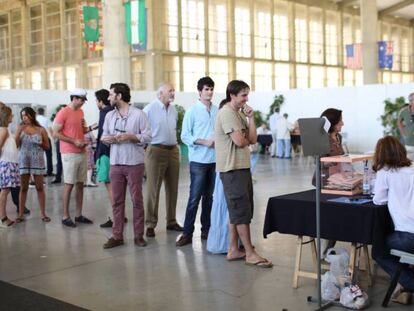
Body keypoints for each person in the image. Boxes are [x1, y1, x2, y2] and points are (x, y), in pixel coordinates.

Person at [215, 80, 272, 268]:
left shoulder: (239, 115)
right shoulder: (227, 113)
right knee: (241, 211)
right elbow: (240, 141)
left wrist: (251, 118)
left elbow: (253, 139)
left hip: (241, 167)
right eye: (243, 95)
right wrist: (245, 137)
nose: (246, 99)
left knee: (237, 210)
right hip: (232, 169)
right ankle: (249, 253)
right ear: (232, 95)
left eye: (247, 95)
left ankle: (233, 249)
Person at [101, 83, 151, 249]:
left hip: (134, 163)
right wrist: (107, 139)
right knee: (117, 201)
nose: (108, 98)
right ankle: (117, 236)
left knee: (137, 200)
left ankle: (138, 235)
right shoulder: (110, 116)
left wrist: (131, 136)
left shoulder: (139, 115)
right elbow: (104, 136)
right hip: (116, 163)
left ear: (119, 96)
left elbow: (148, 136)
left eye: (111, 94)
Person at [176, 77, 218, 247]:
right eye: (207, 89)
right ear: (199, 91)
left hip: (215, 161)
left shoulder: (217, 110)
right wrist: (204, 141)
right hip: (198, 162)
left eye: (211, 89)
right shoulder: (192, 111)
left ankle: (206, 230)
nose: (209, 92)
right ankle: (187, 233)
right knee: (194, 198)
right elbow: (184, 135)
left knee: (209, 198)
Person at [372, 136, 414, 305]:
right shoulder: (412, 168)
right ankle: (402, 286)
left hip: (408, 235)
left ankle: (408, 283)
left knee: (378, 251)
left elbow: (378, 200)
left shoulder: (385, 171)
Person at [143, 82, 183, 237]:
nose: (173, 93)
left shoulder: (173, 110)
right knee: (153, 189)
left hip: (173, 150)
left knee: (173, 188)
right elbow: (141, 130)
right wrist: (144, 147)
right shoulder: (149, 109)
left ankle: (171, 221)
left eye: (174, 90)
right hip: (156, 150)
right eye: (170, 90)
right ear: (160, 93)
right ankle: (150, 224)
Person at [52, 89, 96, 228]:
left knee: (80, 184)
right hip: (69, 153)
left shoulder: (80, 112)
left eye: (84, 100)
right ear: (74, 98)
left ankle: (78, 214)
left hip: (81, 151)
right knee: (69, 184)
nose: (83, 103)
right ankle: (65, 216)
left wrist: (90, 128)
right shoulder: (63, 112)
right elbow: (55, 133)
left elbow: (81, 130)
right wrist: (73, 141)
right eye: (82, 100)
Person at [312, 108, 345, 258]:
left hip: (338, 182)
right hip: (325, 183)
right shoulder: (322, 138)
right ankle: (323, 252)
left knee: (337, 219)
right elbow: (318, 162)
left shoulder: (339, 137)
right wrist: (332, 162)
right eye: (340, 121)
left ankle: (327, 251)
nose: (343, 124)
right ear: (332, 123)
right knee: (328, 219)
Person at [15, 107, 50, 223]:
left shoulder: (41, 129)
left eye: (26, 115)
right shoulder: (20, 128)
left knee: (40, 187)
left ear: (32, 115)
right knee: (23, 188)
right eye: (22, 116)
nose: (24, 118)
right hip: (24, 160)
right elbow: (15, 145)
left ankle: (43, 214)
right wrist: (18, 132)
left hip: (38, 161)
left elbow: (47, 147)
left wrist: (40, 144)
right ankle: (20, 214)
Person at [0, 104, 19, 228]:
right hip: (6, 164)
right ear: (6, 116)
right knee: (5, 191)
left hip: (10, 163)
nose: (12, 116)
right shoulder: (3, 130)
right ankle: (3, 218)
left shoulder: (6, 129)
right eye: (11, 114)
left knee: (5, 191)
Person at [36, 107, 54, 176]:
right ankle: (49, 171)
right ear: (43, 112)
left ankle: (41, 171)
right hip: (46, 138)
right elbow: (50, 129)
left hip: (38, 138)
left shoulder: (35, 119)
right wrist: (53, 138)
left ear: (37, 112)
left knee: (39, 155)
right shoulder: (46, 119)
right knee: (49, 155)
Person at [398, 93, 414, 160]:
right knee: (410, 162)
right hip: (409, 142)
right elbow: (399, 122)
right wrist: (403, 134)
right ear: (410, 101)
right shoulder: (404, 111)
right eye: (412, 100)